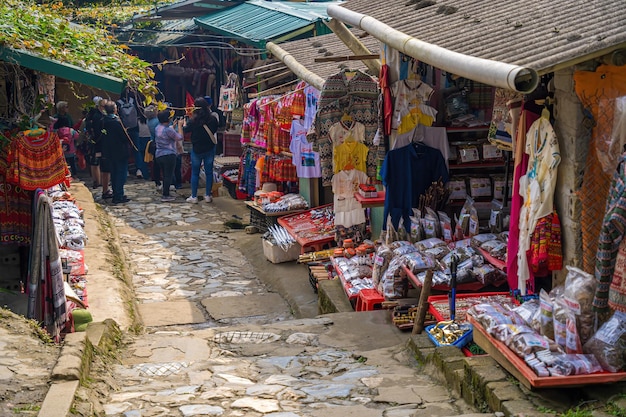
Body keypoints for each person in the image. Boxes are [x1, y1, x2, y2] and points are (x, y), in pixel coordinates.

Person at [183, 97, 218, 203]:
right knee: (209, 172)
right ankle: (208, 195)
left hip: (197, 149)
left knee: (195, 173)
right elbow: (215, 129)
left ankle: (194, 196)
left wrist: (184, 123)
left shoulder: (193, 120)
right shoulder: (213, 119)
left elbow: (186, 130)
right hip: (209, 148)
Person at [101, 101, 131, 204]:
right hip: (120, 151)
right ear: (115, 109)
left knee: (114, 173)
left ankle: (116, 193)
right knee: (121, 173)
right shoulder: (117, 122)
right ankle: (119, 195)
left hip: (109, 151)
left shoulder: (103, 121)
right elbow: (124, 137)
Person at [155, 109, 183, 202]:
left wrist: (173, 126)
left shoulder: (157, 127)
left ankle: (165, 191)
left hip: (159, 154)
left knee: (165, 174)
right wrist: (179, 126)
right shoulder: (168, 130)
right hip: (169, 154)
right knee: (168, 175)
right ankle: (165, 195)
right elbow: (179, 137)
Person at [84, 97, 111, 197]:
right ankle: (99, 181)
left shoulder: (91, 114)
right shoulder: (98, 116)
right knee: (98, 163)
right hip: (98, 142)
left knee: (94, 162)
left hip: (93, 142)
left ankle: (96, 181)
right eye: (104, 106)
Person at [145, 105, 161, 189]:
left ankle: (157, 181)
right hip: (158, 143)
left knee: (155, 163)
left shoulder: (148, 121)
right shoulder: (157, 121)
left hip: (153, 142)